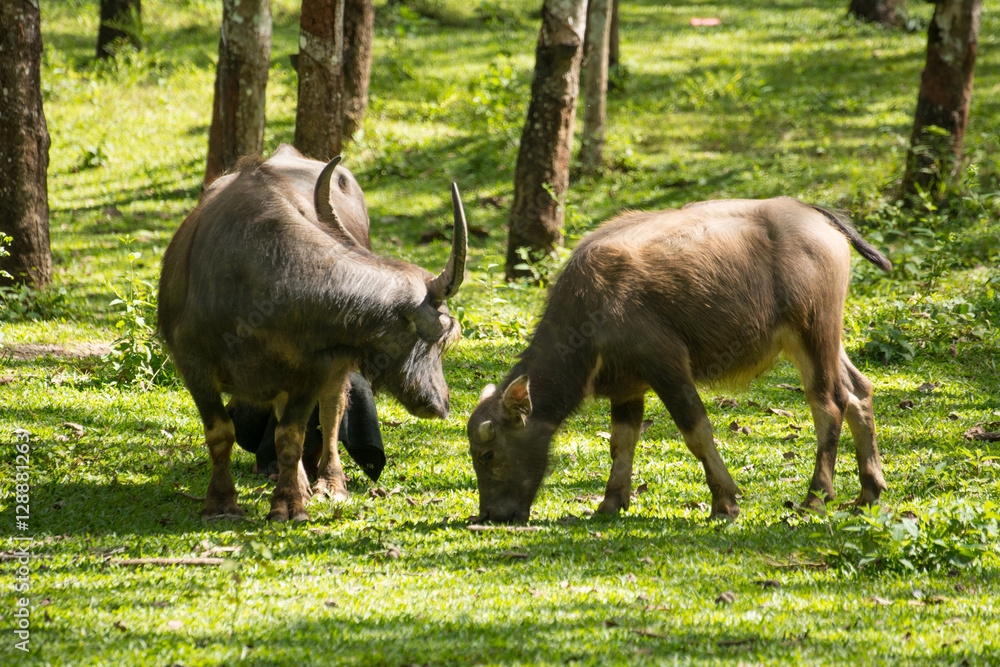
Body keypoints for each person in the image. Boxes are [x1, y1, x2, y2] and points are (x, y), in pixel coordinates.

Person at [227, 372, 386, 482]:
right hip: (250, 415)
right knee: (300, 376)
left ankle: (320, 460)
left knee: (349, 380)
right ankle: (275, 460)